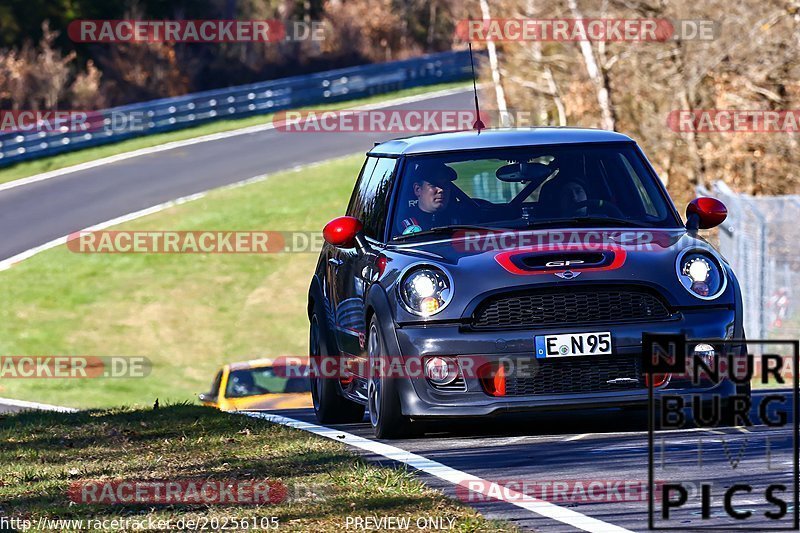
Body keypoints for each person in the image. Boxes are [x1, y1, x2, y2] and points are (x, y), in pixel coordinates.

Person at [396, 161, 460, 235]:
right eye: (434, 184)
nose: (441, 190)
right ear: (418, 190)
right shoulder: (402, 227)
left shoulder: (462, 219)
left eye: (445, 184)